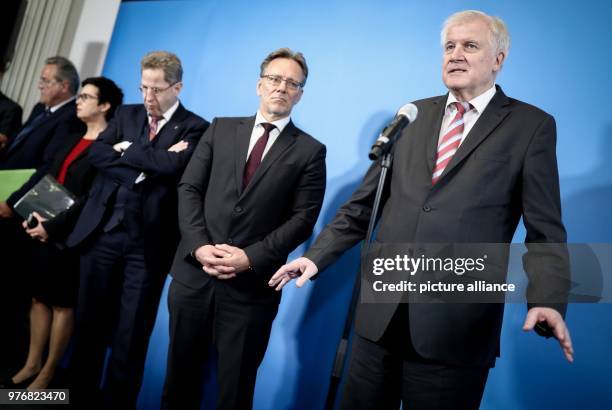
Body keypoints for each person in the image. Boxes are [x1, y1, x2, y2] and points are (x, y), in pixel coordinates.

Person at [270, 10, 573, 410]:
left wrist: (546, 299)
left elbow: (545, 228)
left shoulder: (530, 126)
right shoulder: (410, 115)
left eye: (470, 45)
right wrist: (315, 257)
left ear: (498, 59)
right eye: (449, 46)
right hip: (378, 321)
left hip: (454, 330)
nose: (456, 54)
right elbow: (363, 207)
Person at [161, 48, 326, 410]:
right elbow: (189, 188)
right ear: (259, 84)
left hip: (250, 291)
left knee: (234, 392)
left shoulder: (310, 151)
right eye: (274, 79)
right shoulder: (220, 128)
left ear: (300, 93)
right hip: (194, 278)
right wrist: (199, 246)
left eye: (292, 83)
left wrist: (249, 258)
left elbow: (303, 219)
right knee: (178, 384)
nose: (281, 87)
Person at [65, 51, 209, 408]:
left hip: (147, 247)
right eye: (143, 87)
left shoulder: (195, 127)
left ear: (178, 87)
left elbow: (175, 166)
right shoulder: (127, 114)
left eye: (157, 90)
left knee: (131, 336)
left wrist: (126, 150)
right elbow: (98, 155)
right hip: (102, 236)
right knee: (87, 330)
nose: (148, 98)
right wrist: (146, 167)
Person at [0, 77, 123, 390]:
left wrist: (50, 228)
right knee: (38, 299)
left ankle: (48, 373)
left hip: (70, 237)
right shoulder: (70, 136)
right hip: (42, 228)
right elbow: (46, 176)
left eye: (86, 96)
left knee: (60, 304)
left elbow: (90, 199)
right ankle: (32, 363)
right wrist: (17, 207)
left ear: (105, 105)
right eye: (79, 95)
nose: (78, 101)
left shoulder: (107, 148)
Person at [0, 56, 84, 173]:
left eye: (46, 81)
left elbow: (48, 162)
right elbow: (20, 141)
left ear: (64, 86)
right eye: (41, 80)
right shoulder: (39, 108)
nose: (40, 86)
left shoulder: (72, 116)